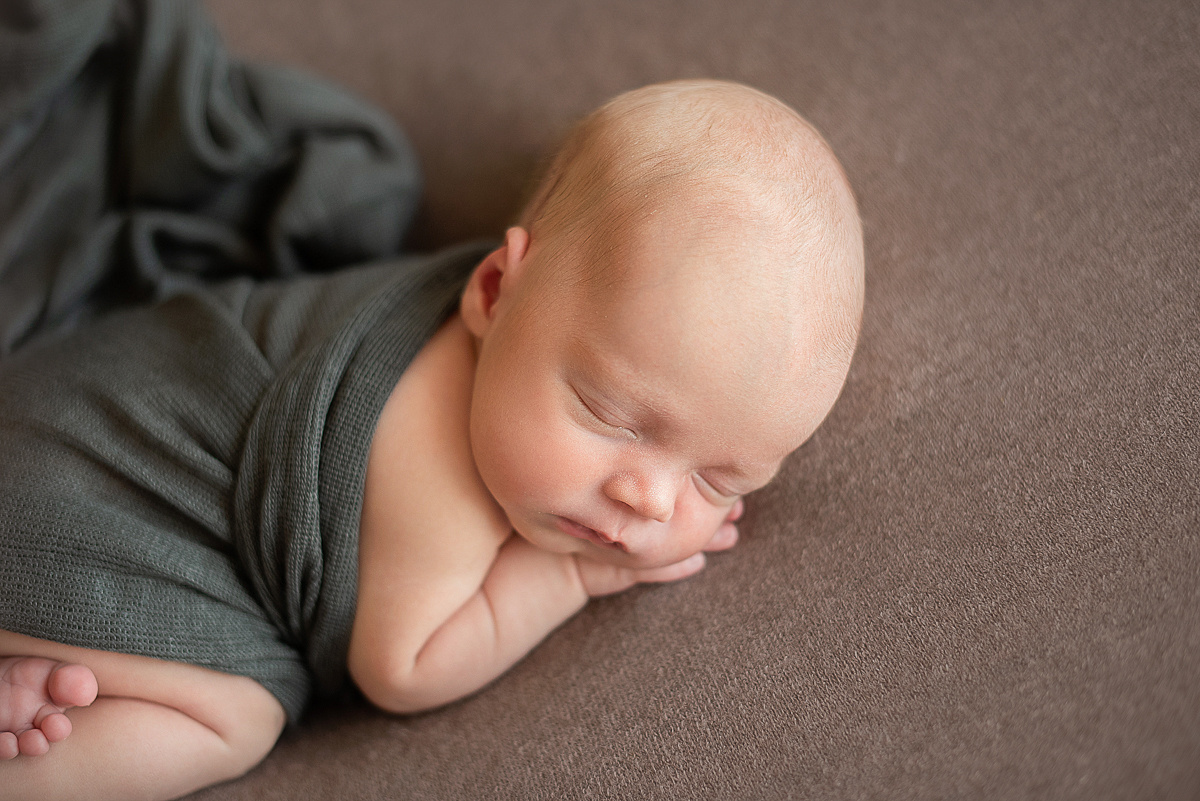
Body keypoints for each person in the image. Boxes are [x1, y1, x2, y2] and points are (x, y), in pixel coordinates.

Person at [0, 78, 864, 799]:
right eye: (610, 415)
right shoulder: (433, 457)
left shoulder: (536, 327)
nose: (650, 498)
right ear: (493, 288)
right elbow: (402, 665)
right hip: (87, 493)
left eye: (720, 480)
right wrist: (572, 573)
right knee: (234, 720)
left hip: (56, 437)